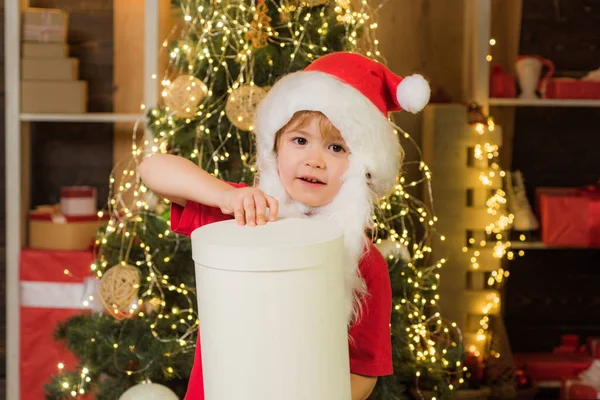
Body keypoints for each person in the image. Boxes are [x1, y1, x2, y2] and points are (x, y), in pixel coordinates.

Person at [139, 51, 430, 400]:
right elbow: (153, 169)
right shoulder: (248, 212)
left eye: (337, 147)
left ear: (362, 167)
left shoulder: (366, 264)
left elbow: (363, 374)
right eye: (300, 140)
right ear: (275, 148)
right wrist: (224, 196)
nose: (314, 159)